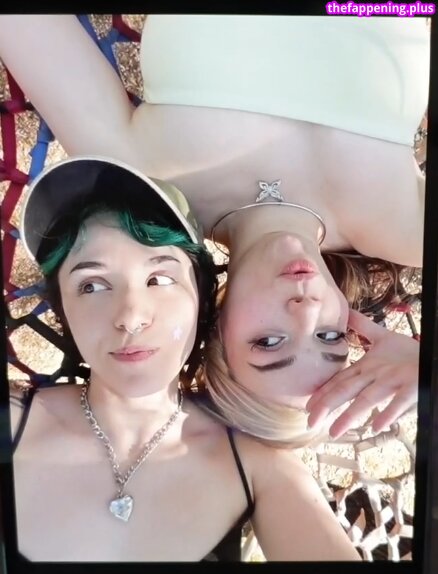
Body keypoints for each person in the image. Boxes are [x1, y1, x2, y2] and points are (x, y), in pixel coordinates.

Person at [0, 14, 427, 443]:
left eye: (269, 341)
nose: (306, 308)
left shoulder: (141, 179)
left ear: (216, 327)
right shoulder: (408, 232)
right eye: (329, 336)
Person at [10, 155, 361, 562]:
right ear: (63, 313)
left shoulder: (261, 470)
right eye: (92, 286)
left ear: (202, 299)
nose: (131, 317)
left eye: (159, 279)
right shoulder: (11, 420)